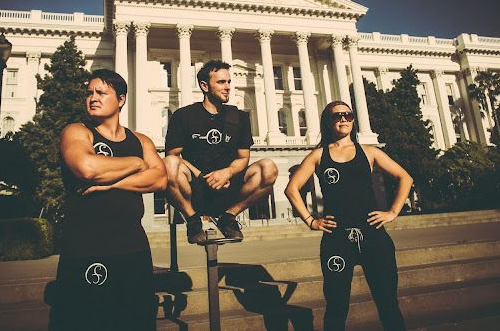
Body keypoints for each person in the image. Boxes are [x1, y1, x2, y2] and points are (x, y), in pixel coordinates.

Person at [49, 69, 167, 331]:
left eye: (101, 92)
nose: (93, 98)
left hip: (133, 248)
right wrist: (137, 164)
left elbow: (160, 179)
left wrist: (111, 183)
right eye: (89, 93)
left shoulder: (141, 140)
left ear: (121, 99)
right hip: (86, 248)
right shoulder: (77, 132)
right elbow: (87, 168)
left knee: (137, 321)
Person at [285, 100, 412, 331]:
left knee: (388, 304)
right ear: (328, 122)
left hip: (374, 236)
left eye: (348, 115)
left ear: (353, 120)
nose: (343, 119)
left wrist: (393, 212)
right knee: (336, 307)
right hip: (337, 240)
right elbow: (291, 189)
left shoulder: (369, 152)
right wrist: (311, 220)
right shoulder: (318, 156)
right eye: (337, 116)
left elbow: (405, 177)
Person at [164, 60, 278, 243]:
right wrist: (202, 176)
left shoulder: (239, 117)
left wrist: (227, 173)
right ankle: (192, 219)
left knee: (269, 168)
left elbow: (243, 157)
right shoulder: (183, 116)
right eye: (221, 82)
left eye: (229, 82)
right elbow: (173, 156)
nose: (227, 87)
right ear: (204, 86)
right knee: (168, 164)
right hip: (195, 187)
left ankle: (229, 217)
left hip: (229, 186)